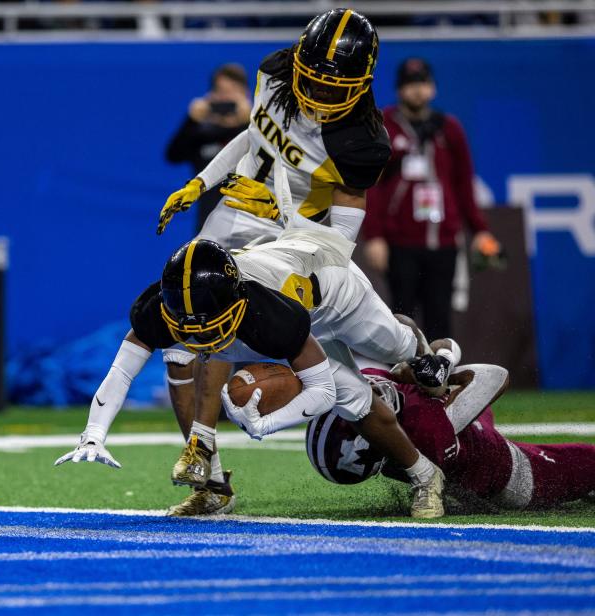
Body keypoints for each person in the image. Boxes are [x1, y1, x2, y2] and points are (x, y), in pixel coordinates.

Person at [148, 8, 401, 516]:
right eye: (315, 80)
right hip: (233, 212)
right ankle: (210, 481)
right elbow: (254, 134)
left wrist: (294, 230)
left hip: (291, 237)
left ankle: (415, 360)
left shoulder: (361, 142)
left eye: (338, 86)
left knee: (350, 349)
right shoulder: (275, 70)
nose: (322, 94)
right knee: (179, 343)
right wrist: (202, 182)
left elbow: (340, 238)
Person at [56, 227, 452, 519]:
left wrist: (267, 424)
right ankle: (426, 476)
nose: (200, 335)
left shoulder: (270, 314)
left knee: (406, 356)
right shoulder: (159, 309)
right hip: (279, 288)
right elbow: (121, 371)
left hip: (334, 293)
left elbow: (322, 390)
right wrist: (94, 433)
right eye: (189, 327)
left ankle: (420, 347)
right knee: (355, 399)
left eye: (209, 326)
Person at [308, 354, 595, 511]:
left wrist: (436, 356)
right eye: (361, 418)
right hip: (507, 471)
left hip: (468, 432)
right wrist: (440, 372)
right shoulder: (425, 434)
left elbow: (405, 325)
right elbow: (495, 376)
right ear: (376, 439)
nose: (366, 394)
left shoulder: (382, 400)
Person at [362, 58, 500, 341]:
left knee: (439, 318)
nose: (417, 91)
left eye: (423, 83)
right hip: (400, 241)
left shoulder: (448, 129)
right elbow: (371, 185)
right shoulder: (385, 125)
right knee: (402, 321)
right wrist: (374, 236)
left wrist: (479, 230)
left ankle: (441, 382)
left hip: (443, 241)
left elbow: (464, 184)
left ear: (433, 88)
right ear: (400, 89)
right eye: (410, 84)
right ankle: (402, 383)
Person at [165, 63, 252, 233]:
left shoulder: (256, 132)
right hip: (209, 230)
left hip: (252, 230)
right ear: (212, 96)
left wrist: (248, 120)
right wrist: (191, 120)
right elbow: (173, 155)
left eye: (233, 91)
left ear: (246, 95)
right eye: (221, 92)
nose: (227, 98)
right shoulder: (203, 135)